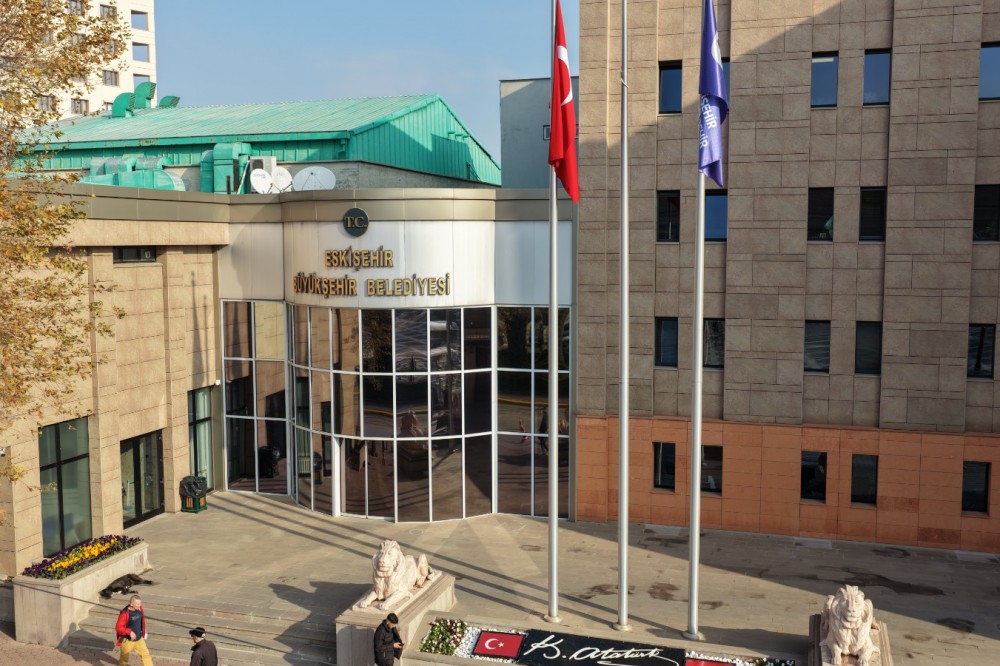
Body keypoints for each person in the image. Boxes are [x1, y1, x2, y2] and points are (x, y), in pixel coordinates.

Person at [115, 594, 153, 666]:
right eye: (137, 604)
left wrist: (144, 629)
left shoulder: (140, 609)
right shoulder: (124, 613)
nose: (139, 605)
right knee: (124, 659)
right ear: (131, 604)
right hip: (127, 641)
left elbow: (142, 619)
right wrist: (129, 632)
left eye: (140, 603)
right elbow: (118, 628)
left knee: (146, 654)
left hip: (139, 639)